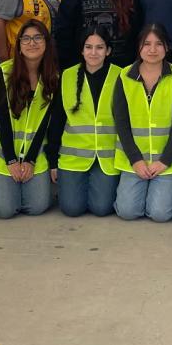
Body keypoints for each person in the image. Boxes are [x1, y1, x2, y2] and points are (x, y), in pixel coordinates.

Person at [0, 21, 57, 218]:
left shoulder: (53, 77)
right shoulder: (2, 73)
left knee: (37, 207)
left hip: (33, 152)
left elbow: (45, 124)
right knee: (5, 210)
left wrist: (30, 160)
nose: (32, 43)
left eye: (38, 38)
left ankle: (10, 191)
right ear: (19, 44)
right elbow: (3, 119)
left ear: (47, 43)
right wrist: (11, 160)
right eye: (26, 38)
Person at [112, 25, 172, 221]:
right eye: (146, 44)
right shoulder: (124, 76)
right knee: (127, 212)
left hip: (167, 160)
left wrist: (165, 161)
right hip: (134, 160)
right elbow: (121, 122)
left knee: (160, 214)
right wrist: (136, 160)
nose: (152, 50)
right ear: (138, 47)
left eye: (158, 44)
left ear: (167, 47)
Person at [47, 26, 123, 217]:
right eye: (88, 47)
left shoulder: (121, 75)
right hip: (73, 158)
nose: (93, 53)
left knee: (101, 208)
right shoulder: (68, 76)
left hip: (107, 157)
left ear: (108, 51)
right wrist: (53, 162)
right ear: (81, 50)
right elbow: (57, 121)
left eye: (99, 47)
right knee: (72, 209)